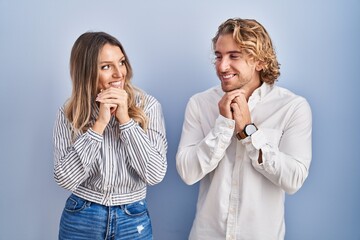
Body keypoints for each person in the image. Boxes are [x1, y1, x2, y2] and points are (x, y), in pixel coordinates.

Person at [176, 18, 312, 240]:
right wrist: (223, 125)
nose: (222, 66)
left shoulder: (292, 108)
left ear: (259, 61)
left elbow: (293, 180)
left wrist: (249, 131)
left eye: (234, 56)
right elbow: (188, 172)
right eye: (218, 56)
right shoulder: (199, 104)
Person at [53, 31, 167, 239]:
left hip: (132, 218)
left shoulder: (148, 106)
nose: (119, 73)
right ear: (86, 72)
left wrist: (125, 121)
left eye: (121, 62)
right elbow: (65, 178)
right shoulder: (70, 112)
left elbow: (155, 174)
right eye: (106, 67)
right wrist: (100, 124)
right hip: (81, 216)